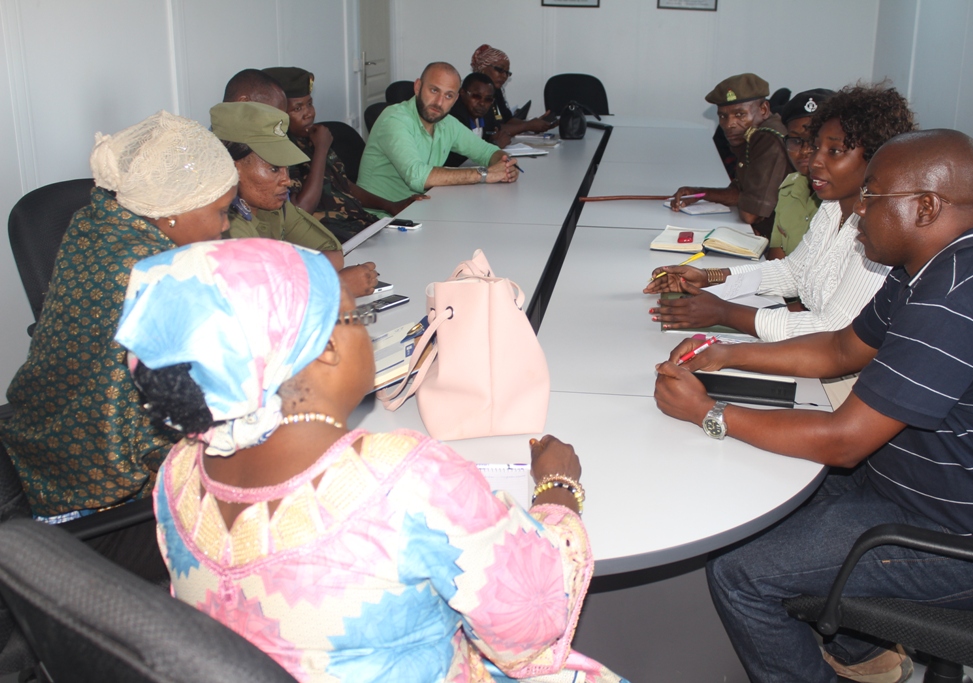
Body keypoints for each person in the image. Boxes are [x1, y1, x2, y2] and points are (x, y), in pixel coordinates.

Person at [114, 238, 626, 683]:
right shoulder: (407, 479)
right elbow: (530, 624)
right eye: (356, 316)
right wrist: (558, 490)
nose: (368, 330)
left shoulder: (179, 471)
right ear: (327, 348)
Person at [653, 129, 973, 683]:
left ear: (926, 207)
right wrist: (727, 352)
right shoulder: (928, 268)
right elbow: (840, 349)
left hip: (967, 544)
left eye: (873, 197)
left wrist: (708, 414)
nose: (859, 213)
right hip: (912, 486)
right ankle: (865, 658)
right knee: (745, 489)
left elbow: (844, 441)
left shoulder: (954, 301)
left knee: (740, 572)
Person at [0, 111, 237, 578]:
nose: (225, 226)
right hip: (98, 505)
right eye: (221, 211)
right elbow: (174, 438)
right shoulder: (155, 280)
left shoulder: (99, 222)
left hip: (37, 453)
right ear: (172, 210)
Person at [647, 85, 913, 342]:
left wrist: (725, 313)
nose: (815, 161)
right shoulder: (833, 207)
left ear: (877, 157)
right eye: (815, 146)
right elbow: (792, 272)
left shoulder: (881, 231)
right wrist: (709, 277)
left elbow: (834, 331)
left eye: (834, 151)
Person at [210, 100, 378, 295]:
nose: (287, 181)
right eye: (274, 169)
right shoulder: (222, 224)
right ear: (232, 167)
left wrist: (288, 276)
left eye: (286, 168)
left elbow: (332, 253)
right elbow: (258, 299)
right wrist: (335, 287)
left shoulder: (272, 205)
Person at [261, 66, 427, 241]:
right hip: (331, 237)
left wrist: (390, 206)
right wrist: (321, 150)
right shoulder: (279, 151)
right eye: (297, 109)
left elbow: (342, 183)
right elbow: (301, 209)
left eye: (309, 104)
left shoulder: (311, 137)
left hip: (360, 225)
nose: (308, 114)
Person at [358, 62, 519, 215]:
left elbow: (485, 151)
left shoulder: (446, 123)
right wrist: (484, 174)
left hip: (420, 210)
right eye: (434, 90)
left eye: (448, 96)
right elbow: (417, 176)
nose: (439, 102)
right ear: (418, 87)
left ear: (455, 99)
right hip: (380, 220)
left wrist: (506, 165)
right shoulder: (395, 120)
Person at [671, 73, 794, 238]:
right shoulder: (753, 134)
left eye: (740, 114)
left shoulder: (768, 139)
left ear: (763, 109)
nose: (729, 124)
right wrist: (699, 193)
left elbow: (750, 214)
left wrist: (739, 198)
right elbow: (740, 192)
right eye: (723, 116)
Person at [766, 88, 834, 260]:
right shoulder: (790, 186)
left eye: (813, 141)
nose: (804, 151)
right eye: (796, 141)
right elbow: (777, 257)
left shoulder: (841, 198)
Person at [470, 44, 557, 138]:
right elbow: (491, 129)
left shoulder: (496, 91)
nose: (504, 76)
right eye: (500, 70)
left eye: (507, 73)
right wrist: (527, 126)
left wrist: (535, 124)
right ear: (483, 68)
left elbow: (508, 120)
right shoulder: (474, 93)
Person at [445, 72, 509, 167]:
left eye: (488, 99)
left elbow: (496, 129)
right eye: (476, 96)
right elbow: (457, 157)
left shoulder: (486, 112)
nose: (482, 103)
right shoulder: (453, 115)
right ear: (462, 93)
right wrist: (494, 144)